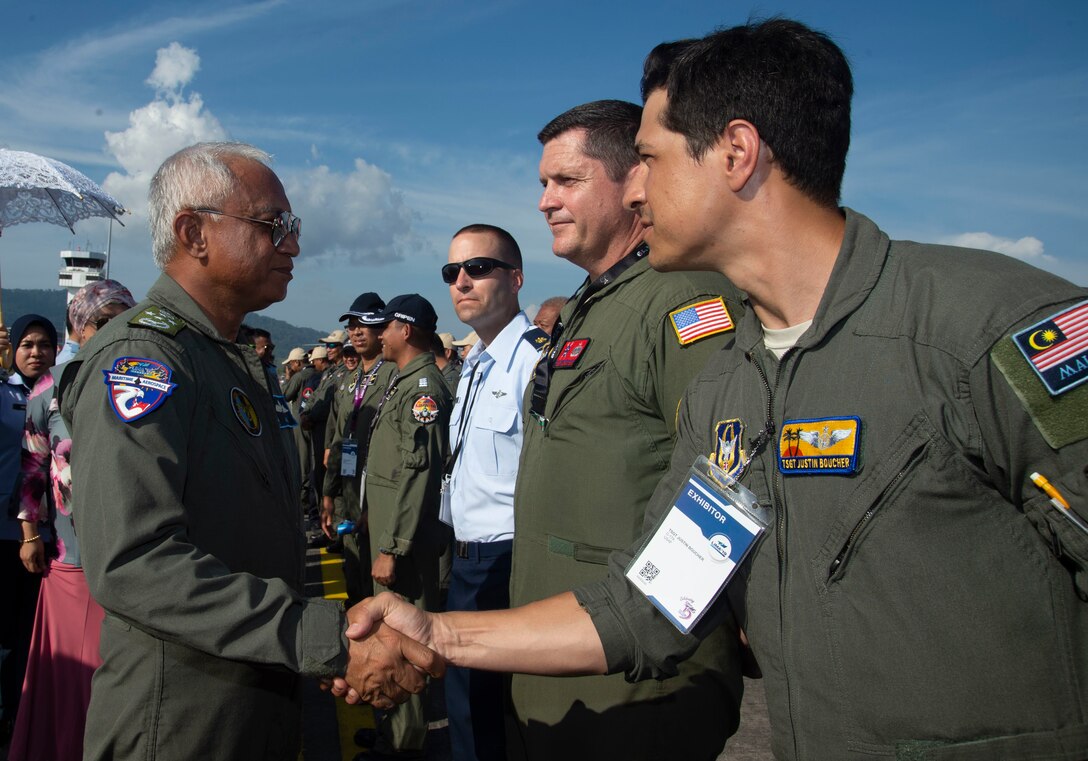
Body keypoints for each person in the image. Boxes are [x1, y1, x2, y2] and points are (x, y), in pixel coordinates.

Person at [345, 20, 1088, 760]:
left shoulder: (994, 329)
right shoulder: (730, 386)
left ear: (735, 153)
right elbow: (657, 598)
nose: (633, 186)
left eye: (647, 158)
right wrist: (440, 632)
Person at [56, 142, 438, 761]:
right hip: (181, 718)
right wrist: (322, 635)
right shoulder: (146, 361)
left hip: (249, 699)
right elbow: (134, 560)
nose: (292, 245)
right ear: (193, 232)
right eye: (272, 226)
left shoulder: (223, 358)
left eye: (292, 228)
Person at [503, 99, 746, 761]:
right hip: (558, 662)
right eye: (543, 184)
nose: (546, 201)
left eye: (566, 181)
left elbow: (731, 482)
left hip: (637, 682)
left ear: (632, 181)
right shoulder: (595, 300)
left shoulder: (683, 298)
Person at [8, 280, 136, 761]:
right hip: (72, 556)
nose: (117, 328)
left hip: (135, 552)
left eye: (126, 316)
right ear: (79, 329)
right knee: (75, 675)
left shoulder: (146, 384)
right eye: (104, 320)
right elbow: (33, 469)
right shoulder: (48, 392)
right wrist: (28, 535)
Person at [441, 224, 547, 761]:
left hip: (505, 559)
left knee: (489, 712)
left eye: (478, 268)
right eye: (452, 272)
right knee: (468, 705)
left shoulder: (534, 361)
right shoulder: (475, 366)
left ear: (516, 278)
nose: (461, 281)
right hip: (464, 557)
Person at [361, 293, 452, 759]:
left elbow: (418, 474)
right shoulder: (402, 381)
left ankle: (404, 745)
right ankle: (389, 732)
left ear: (406, 331)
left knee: (404, 645)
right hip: (388, 532)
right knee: (386, 639)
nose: (381, 335)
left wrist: (392, 547)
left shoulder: (423, 391)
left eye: (388, 327)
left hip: (405, 541)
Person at [0, 315, 57, 748]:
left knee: (28, 635)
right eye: (27, 344)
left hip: (46, 537)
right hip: (5, 533)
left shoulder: (63, 393)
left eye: (44, 344)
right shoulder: (3, 392)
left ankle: (18, 716)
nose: (36, 352)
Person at [323, 292, 396, 605]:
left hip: (379, 494)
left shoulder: (394, 375)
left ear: (382, 329)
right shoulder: (352, 379)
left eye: (362, 325)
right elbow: (340, 440)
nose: (354, 332)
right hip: (351, 491)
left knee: (380, 587)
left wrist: (374, 503)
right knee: (353, 573)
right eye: (351, 326)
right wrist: (329, 493)